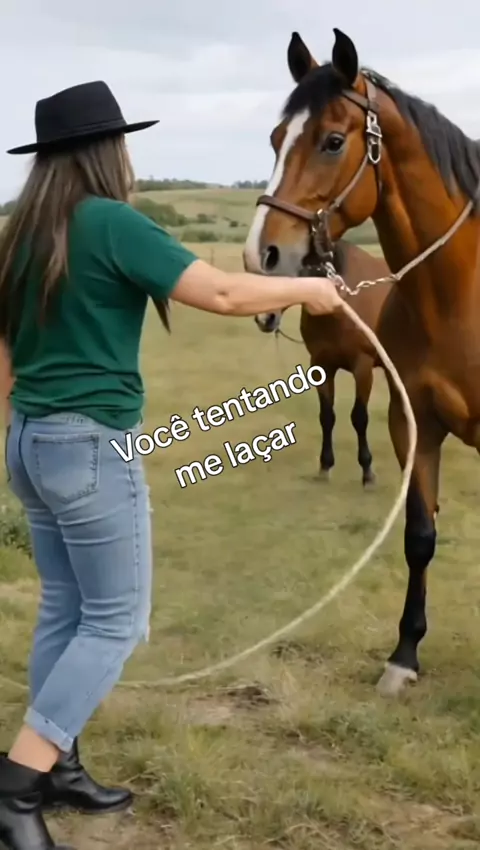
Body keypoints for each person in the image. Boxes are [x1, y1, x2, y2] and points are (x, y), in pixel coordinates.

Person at [0, 80, 343, 850]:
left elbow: (5, 350)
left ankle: (56, 765)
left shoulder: (23, 230)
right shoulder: (111, 221)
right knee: (116, 621)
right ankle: (17, 788)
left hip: (31, 442)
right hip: (90, 447)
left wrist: (15, 437)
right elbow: (218, 291)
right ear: (105, 150)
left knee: (64, 607)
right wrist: (311, 289)